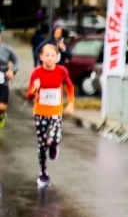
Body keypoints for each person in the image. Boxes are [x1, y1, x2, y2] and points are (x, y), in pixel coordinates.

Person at [27, 43, 75, 187]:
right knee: (42, 145)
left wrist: (71, 103)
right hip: (40, 113)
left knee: (56, 137)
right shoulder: (36, 73)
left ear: (57, 57)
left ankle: (54, 145)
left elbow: (70, 86)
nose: (49, 58)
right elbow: (29, 96)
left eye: (52, 55)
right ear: (41, 57)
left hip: (55, 111)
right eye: (46, 55)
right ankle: (43, 172)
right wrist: (34, 89)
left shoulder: (62, 71)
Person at [0, 24, 19, 129]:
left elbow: (17, 62)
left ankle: (1, 115)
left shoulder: (7, 49)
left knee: (2, 107)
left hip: (3, 81)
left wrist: (12, 71)